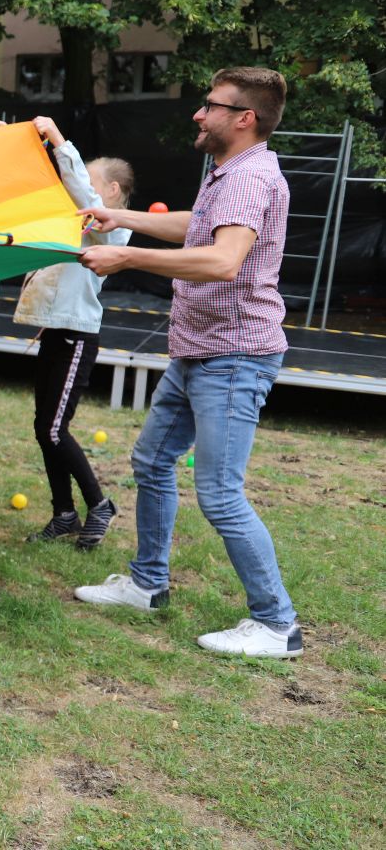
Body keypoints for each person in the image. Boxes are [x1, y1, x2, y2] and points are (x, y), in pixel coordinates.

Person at [75, 67, 303, 659]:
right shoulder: (227, 173)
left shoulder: (251, 176)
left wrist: (126, 260)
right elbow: (196, 228)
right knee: (152, 460)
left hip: (233, 356)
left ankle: (277, 625)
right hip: (200, 349)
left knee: (221, 494)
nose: (199, 115)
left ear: (244, 118)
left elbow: (224, 260)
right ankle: (148, 584)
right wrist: (123, 219)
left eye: (211, 106)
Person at [0, 116, 134, 548]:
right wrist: (18, 149)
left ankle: (99, 505)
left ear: (109, 191)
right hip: (56, 332)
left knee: (55, 430)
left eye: (91, 183)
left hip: (77, 336)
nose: (76, 190)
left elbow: (78, 188)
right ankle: (64, 513)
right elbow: (48, 193)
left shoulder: (114, 225)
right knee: (44, 428)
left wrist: (57, 139)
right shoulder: (74, 222)